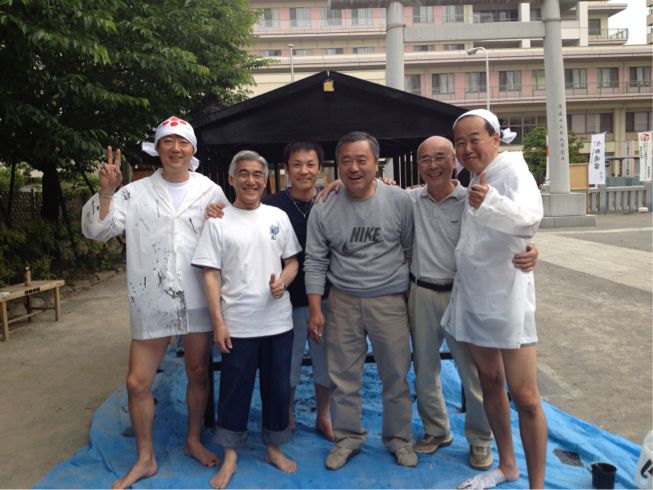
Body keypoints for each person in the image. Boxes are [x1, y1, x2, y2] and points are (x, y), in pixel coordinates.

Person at [81, 116, 227, 489]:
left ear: (193, 149)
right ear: (157, 148)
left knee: (198, 372)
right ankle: (145, 457)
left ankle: (193, 439)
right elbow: (97, 231)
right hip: (151, 297)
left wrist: (220, 220)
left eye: (183, 142)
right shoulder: (135, 193)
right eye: (168, 142)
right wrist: (107, 193)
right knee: (136, 382)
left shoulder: (210, 190)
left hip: (197, 295)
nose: (175, 148)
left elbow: (230, 237)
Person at [406, 136, 538, 472]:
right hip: (422, 291)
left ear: (455, 162)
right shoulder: (410, 200)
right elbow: (372, 190)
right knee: (424, 370)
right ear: (418, 165)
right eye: (425, 159)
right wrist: (335, 184)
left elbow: (511, 229)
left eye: (441, 157)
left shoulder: (472, 199)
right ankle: (437, 430)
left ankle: (480, 440)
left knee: (477, 375)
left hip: (463, 293)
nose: (433, 165)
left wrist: (532, 251)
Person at [442, 109, 547, 489]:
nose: (466, 148)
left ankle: (537, 484)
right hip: (473, 292)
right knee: (489, 382)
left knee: (525, 395)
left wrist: (490, 202)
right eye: (460, 142)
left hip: (508, 296)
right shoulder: (472, 176)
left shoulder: (513, 169)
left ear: (495, 138)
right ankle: (507, 465)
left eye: (474, 139)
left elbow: (530, 220)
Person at [304, 131, 417, 470]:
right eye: (346, 161)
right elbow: (315, 260)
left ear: (376, 163)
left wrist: (404, 294)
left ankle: (399, 439)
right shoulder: (324, 205)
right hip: (343, 300)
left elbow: (410, 249)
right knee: (342, 376)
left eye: (361, 160)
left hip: (389, 300)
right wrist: (315, 309)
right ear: (337, 166)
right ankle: (347, 438)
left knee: (396, 375)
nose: (354, 167)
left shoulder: (399, 201)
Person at [192, 150, 301, 489]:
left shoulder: (278, 216)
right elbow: (210, 274)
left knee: (277, 387)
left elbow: (292, 261)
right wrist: (218, 323)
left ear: (265, 180)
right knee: (234, 389)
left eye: (257, 174)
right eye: (243, 173)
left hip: (278, 322)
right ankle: (230, 455)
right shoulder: (218, 220)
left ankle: (273, 448)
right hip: (237, 323)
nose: (250, 180)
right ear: (231, 179)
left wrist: (284, 281)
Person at [261, 142, 334, 441]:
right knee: (286, 362)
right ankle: (288, 411)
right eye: (297, 164)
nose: (304, 170)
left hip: (327, 297)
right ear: (287, 169)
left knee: (326, 361)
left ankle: (324, 414)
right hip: (285, 298)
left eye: (310, 164)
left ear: (320, 168)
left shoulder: (331, 200)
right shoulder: (270, 205)